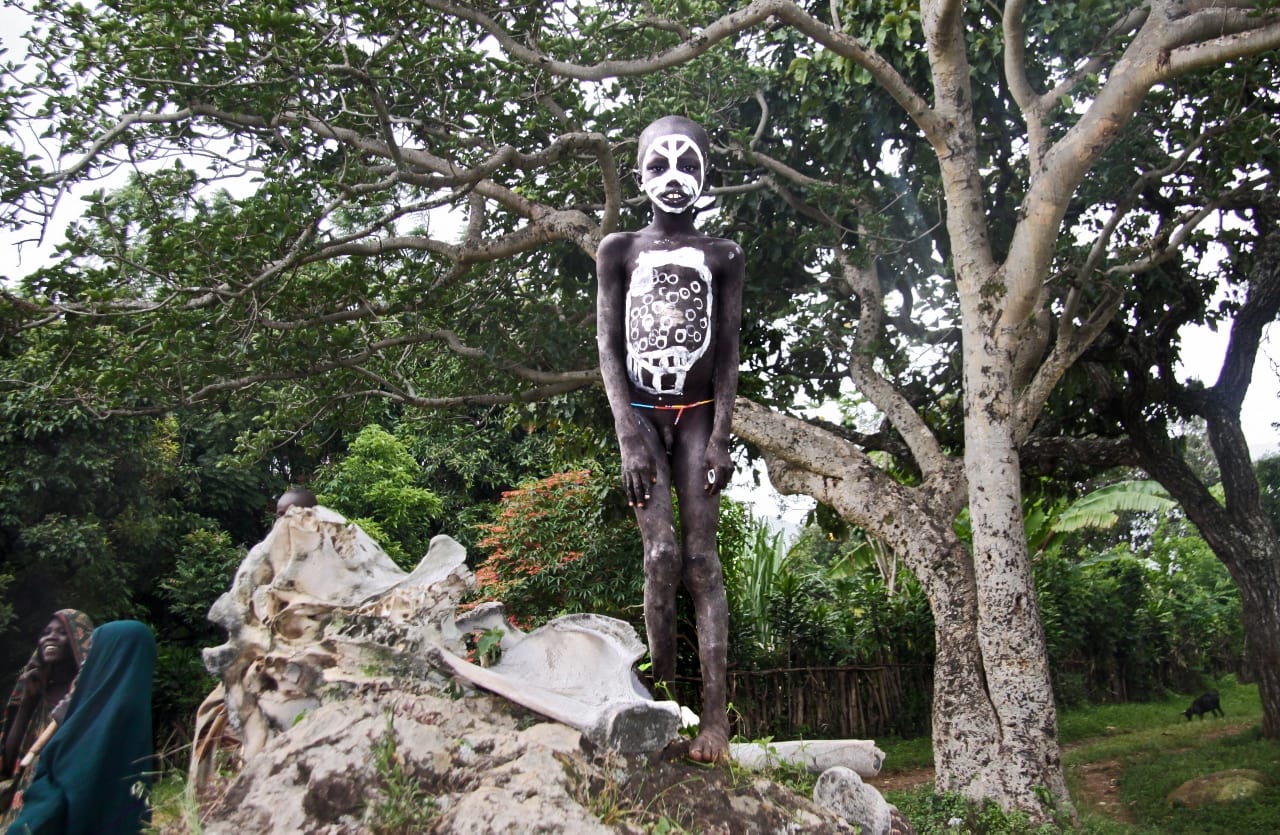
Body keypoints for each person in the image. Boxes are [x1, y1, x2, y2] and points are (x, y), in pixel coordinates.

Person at [596, 115, 744, 763]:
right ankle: (664, 710)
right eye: (659, 165)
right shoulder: (618, 250)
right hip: (641, 416)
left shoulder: (723, 256)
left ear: (707, 178)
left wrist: (721, 438)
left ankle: (714, 722)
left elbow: (729, 349)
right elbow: (607, 346)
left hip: (699, 417)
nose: (674, 177)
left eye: (689, 165)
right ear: (639, 177)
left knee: (701, 561)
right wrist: (627, 435)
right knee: (660, 555)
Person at [7, 620, 156, 835]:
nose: (87, 660)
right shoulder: (134, 716)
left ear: (107, 656)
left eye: (93, 652)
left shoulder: (93, 721)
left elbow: (56, 798)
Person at [0, 610, 94, 823]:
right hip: (25, 806)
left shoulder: (90, 695)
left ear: (80, 640)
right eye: (46, 633)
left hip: (65, 802)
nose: (50, 637)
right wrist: (27, 702)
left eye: (62, 632)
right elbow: (8, 764)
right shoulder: (35, 692)